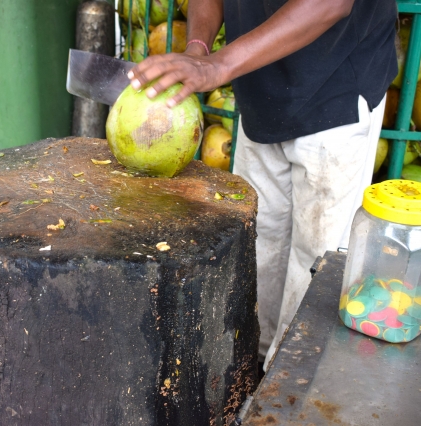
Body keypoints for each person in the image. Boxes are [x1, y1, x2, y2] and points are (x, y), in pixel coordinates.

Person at [127, 0, 397, 369]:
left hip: (337, 87)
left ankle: (288, 389)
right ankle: (249, 370)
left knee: (317, 262)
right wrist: (198, 49)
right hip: (258, 86)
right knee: (257, 245)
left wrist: (218, 64)